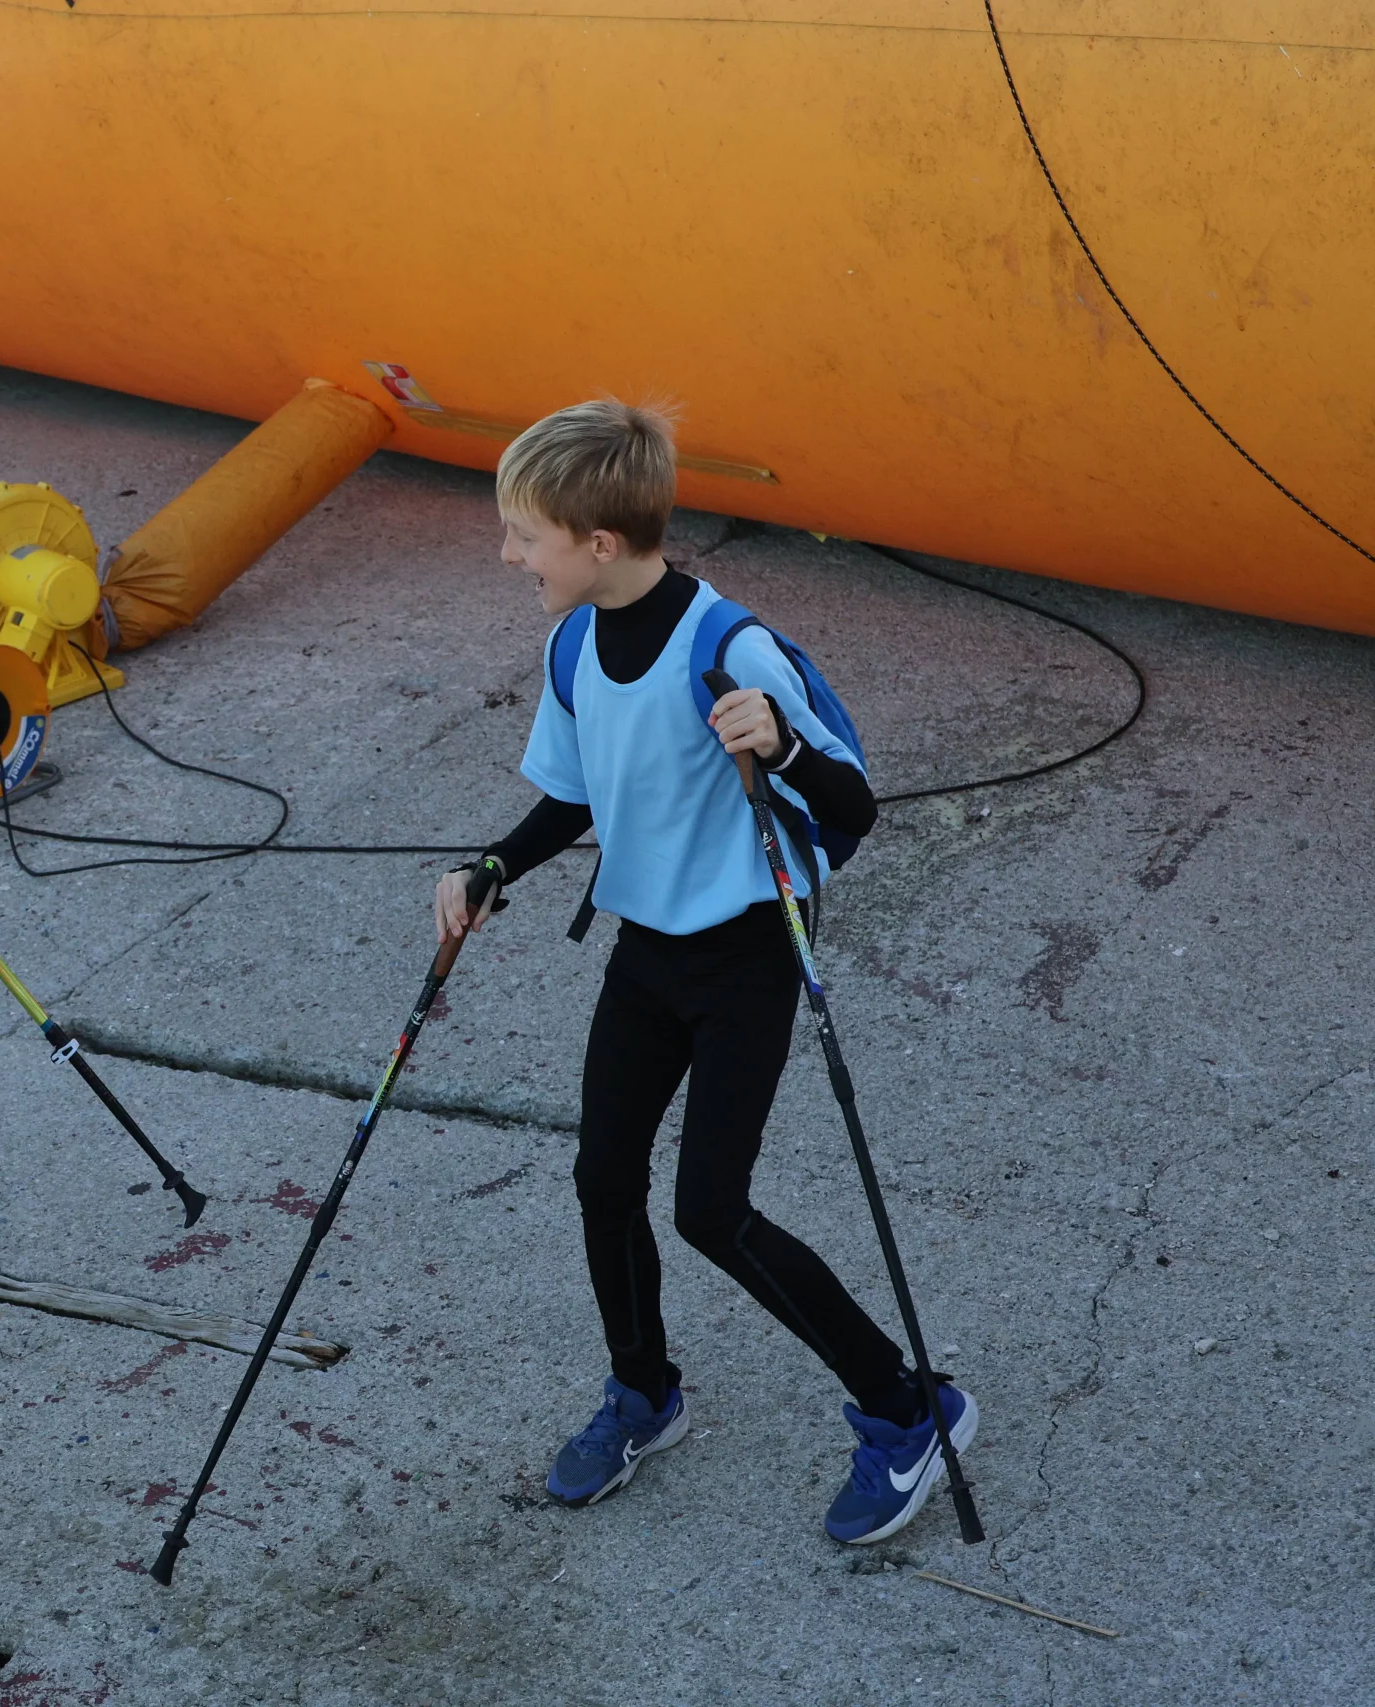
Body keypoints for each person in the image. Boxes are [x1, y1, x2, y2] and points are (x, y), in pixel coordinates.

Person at [435, 401, 977, 1545]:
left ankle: (909, 1408)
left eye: (522, 535)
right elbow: (578, 789)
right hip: (642, 952)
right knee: (600, 1177)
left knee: (710, 1210)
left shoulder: (730, 647)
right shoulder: (573, 641)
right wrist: (494, 866)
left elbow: (854, 808)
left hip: (743, 959)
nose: (505, 554)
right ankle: (644, 1394)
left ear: (595, 539)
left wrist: (776, 742)